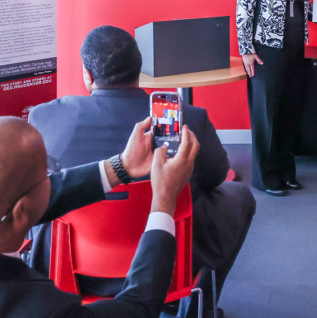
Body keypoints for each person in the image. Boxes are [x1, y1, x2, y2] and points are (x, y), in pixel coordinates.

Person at [28, 26, 255, 317]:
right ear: (140, 69)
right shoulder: (190, 118)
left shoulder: (44, 117)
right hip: (170, 262)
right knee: (239, 195)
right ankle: (200, 306)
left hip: (67, 268)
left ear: (87, 75)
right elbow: (216, 177)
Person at [0, 114, 199, 318]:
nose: (51, 177)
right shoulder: (34, 308)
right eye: (46, 172)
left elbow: (21, 196)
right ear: (20, 213)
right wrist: (163, 202)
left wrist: (120, 167)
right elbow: (137, 308)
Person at [236, 0, 310, 196]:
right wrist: (245, 50)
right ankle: (266, 178)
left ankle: (286, 172)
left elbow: (305, 7)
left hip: (295, 49)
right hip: (267, 50)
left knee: (290, 113)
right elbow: (244, 9)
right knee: (267, 115)